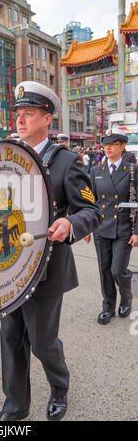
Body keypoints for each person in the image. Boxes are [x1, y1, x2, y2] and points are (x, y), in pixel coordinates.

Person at [0, 82, 101, 422]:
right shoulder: (8, 155)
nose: (20, 121)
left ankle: (60, 386)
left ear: (46, 119)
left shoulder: (67, 160)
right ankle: (16, 406)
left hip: (46, 268)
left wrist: (71, 224)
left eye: (28, 114)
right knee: (10, 337)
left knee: (42, 342)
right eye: (18, 115)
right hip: (10, 265)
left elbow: (92, 211)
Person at [86, 127, 138, 325]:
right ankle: (108, 306)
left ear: (122, 146)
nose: (107, 148)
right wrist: (87, 227)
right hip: (101, 227)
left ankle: (126, 298)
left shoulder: (132, 170)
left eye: (112, 144)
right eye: (105, 144)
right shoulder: (96, 171)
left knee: (118, 270)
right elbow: (91, 202)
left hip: (124, 228)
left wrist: (137, 232)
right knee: (104, 270)